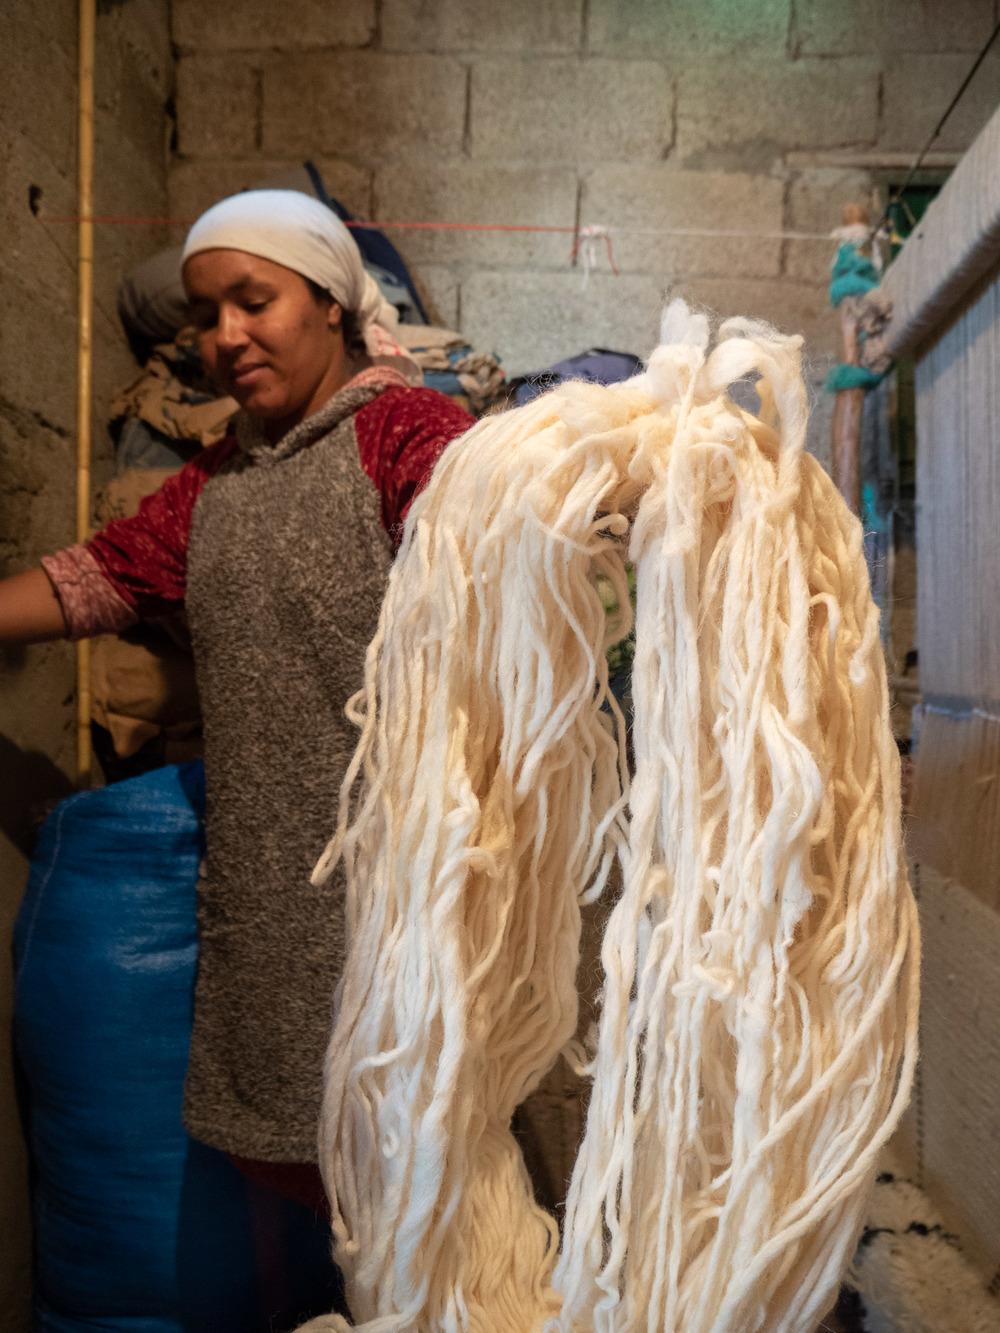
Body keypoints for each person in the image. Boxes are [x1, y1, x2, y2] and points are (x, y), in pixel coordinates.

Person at [0, 190, 475, 1207]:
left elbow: (501, 540)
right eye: (206, 315)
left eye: (253, 301)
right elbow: (95, 579)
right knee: (281, 1170)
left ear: (330, 304)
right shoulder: (213, 487)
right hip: (267, 900)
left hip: (409, 888)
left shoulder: (405, 433)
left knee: (427, 1182)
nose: (226, 337)